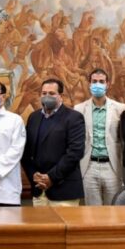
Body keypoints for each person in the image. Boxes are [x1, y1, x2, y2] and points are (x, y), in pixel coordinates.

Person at [22, 79, 85, 207]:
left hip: (63, 190)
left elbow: (74, 153)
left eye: (51, 93)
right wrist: (34, 175)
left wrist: (50, 177)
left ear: (61, 96)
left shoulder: (74, 117)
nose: (47, 96)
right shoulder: (34, 117)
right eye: (44, 93)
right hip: (39, 191)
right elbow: (26, 151)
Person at [75, 68, 125, 205]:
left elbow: (124, 139)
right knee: (92, 212)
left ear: (107, 84)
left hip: (112, 166)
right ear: (89, 84)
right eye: (94, 81)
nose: (97, 84)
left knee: (114, 210)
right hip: (89, 166)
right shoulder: (79, 109)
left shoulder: (120, 108)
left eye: (101, 81)